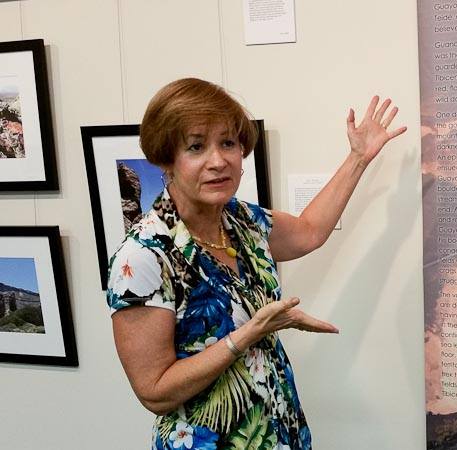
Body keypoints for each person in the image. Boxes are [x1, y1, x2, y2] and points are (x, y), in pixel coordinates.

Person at [106, 78, 406, 449]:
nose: (218, 161)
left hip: (277, 433)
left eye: (228, 143)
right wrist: (250, 332)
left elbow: (310, 231)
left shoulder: (241, 221)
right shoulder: (143, 256)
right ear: (167, 159)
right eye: (196, 146)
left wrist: (358, 157)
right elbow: (154, 392)